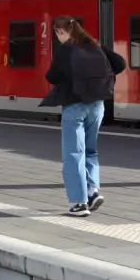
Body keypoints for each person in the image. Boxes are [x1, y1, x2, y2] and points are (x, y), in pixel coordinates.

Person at [40, 17, 125, 216]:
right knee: (90, 151)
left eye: (57, 33)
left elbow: (51, 76)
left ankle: (80, 203)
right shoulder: (95, 45)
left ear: (61, 31)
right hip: (97, 105)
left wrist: (70, 76)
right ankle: (93, 190)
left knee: (73, 154)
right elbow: (120, 63)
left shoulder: (66, 49)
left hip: (75, 106)